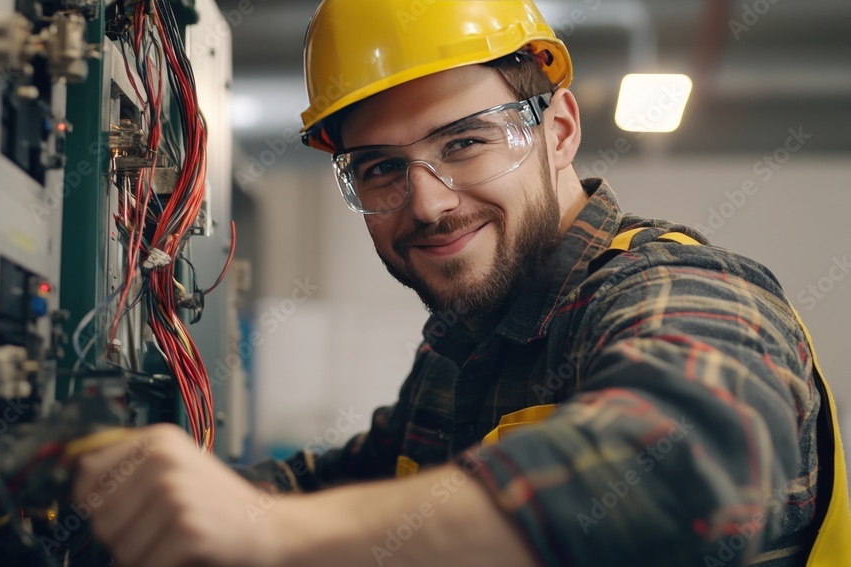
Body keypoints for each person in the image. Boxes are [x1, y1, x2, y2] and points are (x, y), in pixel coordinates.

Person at [73, 1, 849, 565]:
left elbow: (691, 465)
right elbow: (344, 484)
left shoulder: (679, 286)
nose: (428, 202)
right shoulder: (463, 345)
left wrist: (269, 533)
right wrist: (147, 498)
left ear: (559, 131)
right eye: (381, 167)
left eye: (466, 142)